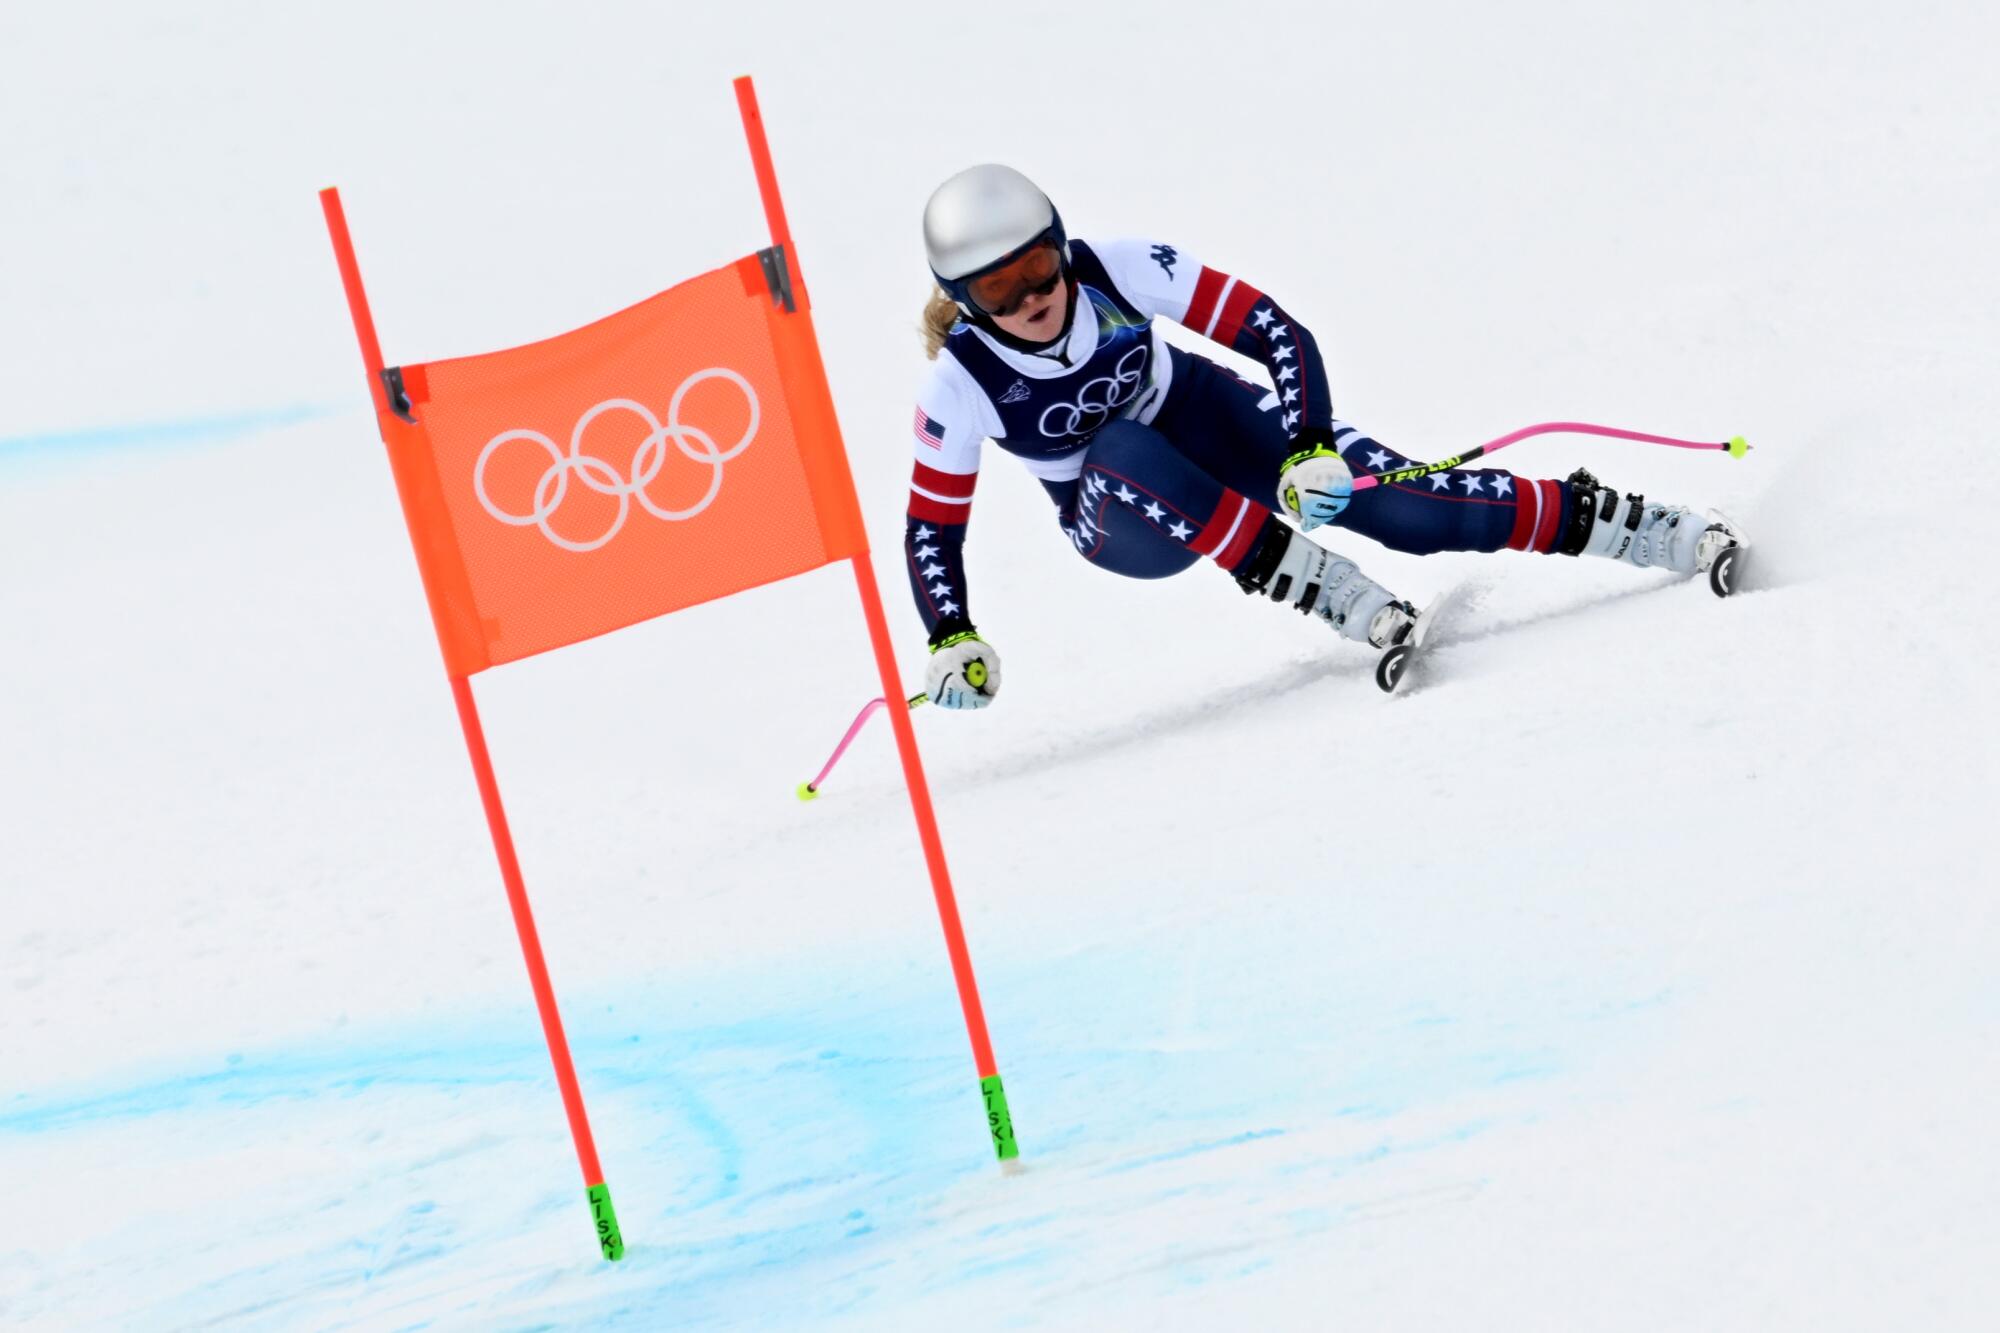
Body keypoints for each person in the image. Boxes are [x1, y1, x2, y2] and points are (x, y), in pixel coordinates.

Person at [905, 164, 1737, 710]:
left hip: (1204, 415)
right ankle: (1327, 588)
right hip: (1122, 520)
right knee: (1122, 449)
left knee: (1411, 511)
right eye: (999, 290)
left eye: (1038, 266)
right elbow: (931, 529)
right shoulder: (960, 382)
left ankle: (1639, 527)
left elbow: (1274, 329)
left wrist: (1311, 445)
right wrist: (951, 634)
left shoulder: (1115, 268)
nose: (1032, 298)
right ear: (965, 300)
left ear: (1060, 244)